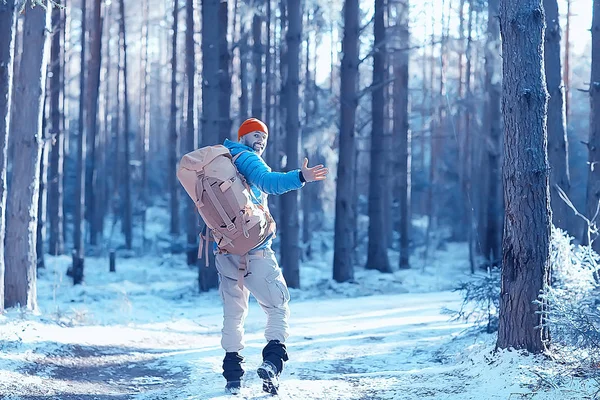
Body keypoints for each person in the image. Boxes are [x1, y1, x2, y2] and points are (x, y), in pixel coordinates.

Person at [216, 118, 328, 394]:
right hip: (255, 250)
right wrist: (301, 177)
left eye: (264, 137)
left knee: (234, 313)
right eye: (255, 135)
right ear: (242, 136)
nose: (261, 140)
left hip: (225, 248)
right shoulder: (248, 158)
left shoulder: (224, 160)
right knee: (278, 306)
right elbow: (269, 182)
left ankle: (232, 375)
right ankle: (272, 363)